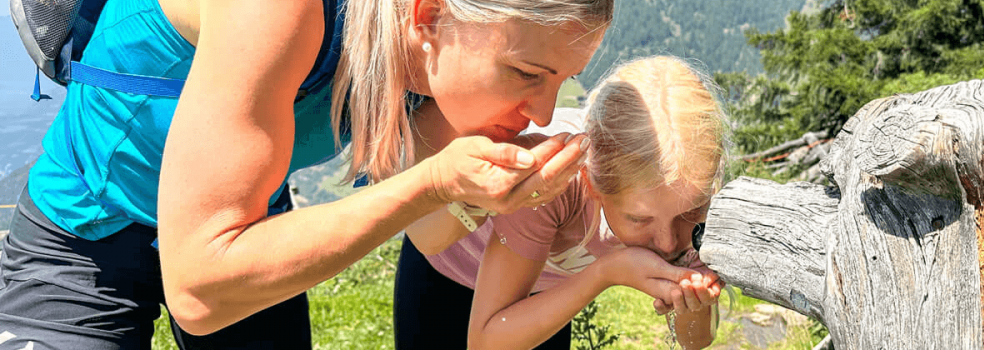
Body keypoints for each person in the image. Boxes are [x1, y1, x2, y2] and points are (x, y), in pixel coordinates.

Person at [0, 0, 612, 348]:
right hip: (88, 231)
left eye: (560, 80)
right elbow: (197, 291)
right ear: (427, 17)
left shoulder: (434, 60)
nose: (540, 110)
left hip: (244, 224)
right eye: (529, 73)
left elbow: (429, 232)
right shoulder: (279, 9)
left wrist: (508, 193)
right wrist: (435, 183)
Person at [398, 56, 729, 350]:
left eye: (689, 214)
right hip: (445, 275)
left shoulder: (692, 199)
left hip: (543, 297)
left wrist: (694, 303)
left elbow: (696, 341)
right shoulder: (551, 182)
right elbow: (486, 341)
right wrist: (606, 273)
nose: (669, 242)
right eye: (638, 219)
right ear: (594, 184)